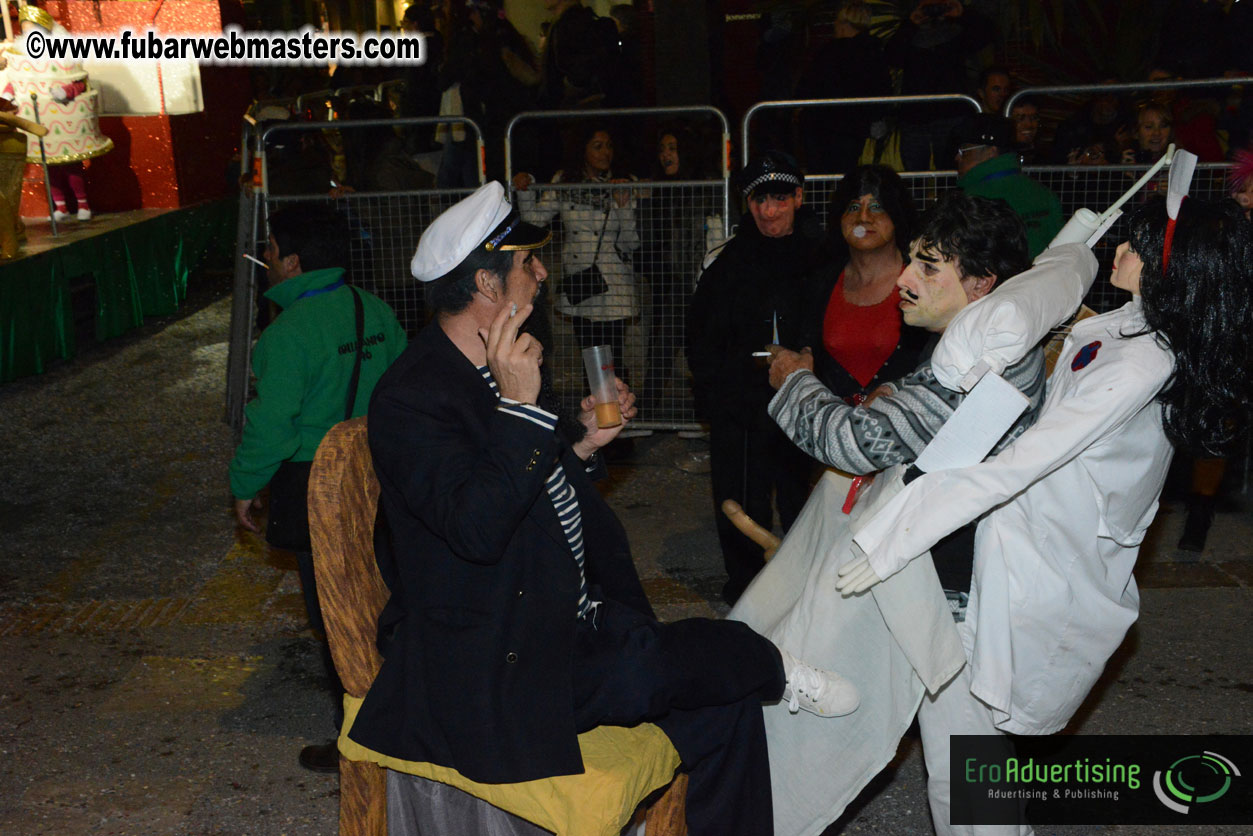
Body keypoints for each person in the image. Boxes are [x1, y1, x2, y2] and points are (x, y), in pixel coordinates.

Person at [348, 181, 860, 836]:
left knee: (721, 701)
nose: (542, 272)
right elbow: (475, 528)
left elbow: (526, 488)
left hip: (564, 618)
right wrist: (521, 409)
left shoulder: (503, 362)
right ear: (485, 283)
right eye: (528, 261)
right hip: (490, 654)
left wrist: (582, 445)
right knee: (679, 658)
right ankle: (768, 663)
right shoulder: (412, 397)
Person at [843, 194, 1253, 835]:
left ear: (1172, 267)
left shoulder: (1142, 363)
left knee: (965, 759)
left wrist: (897, 534)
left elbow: (1023, 464)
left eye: (1137, 244)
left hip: (1037, 564)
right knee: (963, 750)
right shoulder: (1126, 328)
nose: (1120, 249)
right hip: (1012, 547)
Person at [732, 191, 1091, 836]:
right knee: (961, 768)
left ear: (981, 285)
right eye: (913, 260)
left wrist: (793, 381)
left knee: (965, 773)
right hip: (946, 586)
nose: (904, 278)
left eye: (929, 266)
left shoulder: (979, 361)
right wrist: (897, 395)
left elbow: (854, 442)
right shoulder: (976, 345)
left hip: (958, 600)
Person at [229, 205, 408, 772]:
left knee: (335, 612)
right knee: (386, 598)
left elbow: (271, 425)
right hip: (380, 478)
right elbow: (405, 390)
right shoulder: (374, 309)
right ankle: (406, 714)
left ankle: (356, 737)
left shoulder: (286, 334)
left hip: (320, 488)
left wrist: (245, 483)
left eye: (271, 249)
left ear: (293, 262)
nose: (266, 259)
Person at [686, 151, 824, 605]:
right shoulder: (726, 262)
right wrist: (717, 398)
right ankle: (747, 589)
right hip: (742, 403)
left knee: (806, 495)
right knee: (741, 494)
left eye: (779, 199)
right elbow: (701, 335)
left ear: (798, 198)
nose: (768, 211)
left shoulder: (823, 255)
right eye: (758, 200)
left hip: (809, 398)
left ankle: (810, 585)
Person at [514, 123, 639, 383]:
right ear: (583, 150)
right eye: (598, 146)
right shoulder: (565, 180)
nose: (605, 153)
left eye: (609, 146)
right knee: (590, 357)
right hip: (583, 280)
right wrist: (526, 190)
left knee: (613, 357)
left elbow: (631, 243)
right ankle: (594, 407)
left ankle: (618, 406)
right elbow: (535, 220)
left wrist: (623, 206)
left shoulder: (624, 182)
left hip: (614, 281)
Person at [802, 165, 928, 401]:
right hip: (833, 419)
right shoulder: (819, 283)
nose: (863, 218)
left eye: (876, 207)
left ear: (896, 215)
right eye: (853, 207)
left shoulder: (924, 280)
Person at [640, 125, 708, 414]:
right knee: (664, 346)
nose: (665, 155)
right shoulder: (660, 189)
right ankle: (648, 412)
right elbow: (646, 240)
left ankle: (702, 413)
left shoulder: (704, 188)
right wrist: (644, 203)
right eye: (662, 149)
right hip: (672, 281)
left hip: (701, 281)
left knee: (698, 349)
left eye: (672, 148)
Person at [884, 0, 996, 170]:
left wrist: (962, 13)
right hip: (915, 114)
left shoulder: (957, 34)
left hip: (950, 113)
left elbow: (987, 34)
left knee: (949, 170)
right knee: (915, 173)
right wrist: (910, 23)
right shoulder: (910, 34)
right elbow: (892, 57)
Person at [794, 1, 892, 177]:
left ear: (846, 24)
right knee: (846, 173)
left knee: (820, 175)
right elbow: (882, 88)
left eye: (837, 21)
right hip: (854, 127)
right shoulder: (873, 51)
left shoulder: (830, 52)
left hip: (822, 125)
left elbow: (809, 83)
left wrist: (800, 108)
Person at [953, 114, 1064, 258]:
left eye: (964, 152)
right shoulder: (1045, 194)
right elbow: (1062, 247)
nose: (957, 157)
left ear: (991, 152)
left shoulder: (972, 200)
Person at [1009, 98, 1043, 164]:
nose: (1029, 124)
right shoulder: (996, 157)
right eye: (1020, 118)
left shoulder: (1047, 157)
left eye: (1034, 117)